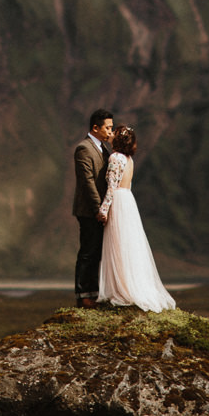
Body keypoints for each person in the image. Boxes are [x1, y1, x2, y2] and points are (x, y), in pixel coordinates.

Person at [97, 126, 176, 312]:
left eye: (114, 132)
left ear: (118, 139)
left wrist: (104, 209)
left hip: (118, 201)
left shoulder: (115, 158)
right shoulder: (129, 159)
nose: (111, 134)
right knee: (128, 244)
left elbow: (111, 187)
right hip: (128, 201)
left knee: (118, 244)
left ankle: (121, 289)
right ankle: (128, 285)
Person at [71, 108, 114, 308]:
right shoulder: (84, 148)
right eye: (108, 128)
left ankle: (94, 292)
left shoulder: (103, 148)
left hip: (99, 210)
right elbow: (87, 182)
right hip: (89, 210)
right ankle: (83, 294)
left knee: (97, 252)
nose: (110, 132)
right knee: (88, 252)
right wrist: (98, 209)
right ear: (95, 128)